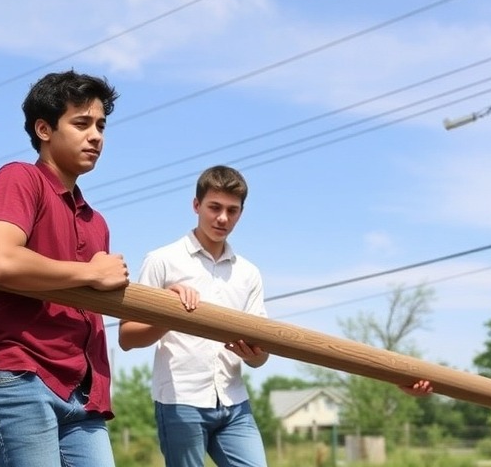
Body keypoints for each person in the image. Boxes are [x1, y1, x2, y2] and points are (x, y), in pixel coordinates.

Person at [119, 165, 433, 467]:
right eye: (214, 207)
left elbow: (260, 358)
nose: (223, 218)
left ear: (241, 213)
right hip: (180, 400)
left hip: (234, 401)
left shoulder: (248, 273)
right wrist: (171, 315)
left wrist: (254, 355)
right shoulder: (162, 260)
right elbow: (127, 337)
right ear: (196, 205)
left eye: (232, 210)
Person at [0, 70, 129, 467]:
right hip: (19, 376)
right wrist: (91, 273)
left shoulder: (96, 221)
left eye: (101, 125)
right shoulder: (19, 178)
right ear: (44, 129)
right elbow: (2, 261)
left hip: (82, 392)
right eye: (82, 123)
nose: (96, 136)